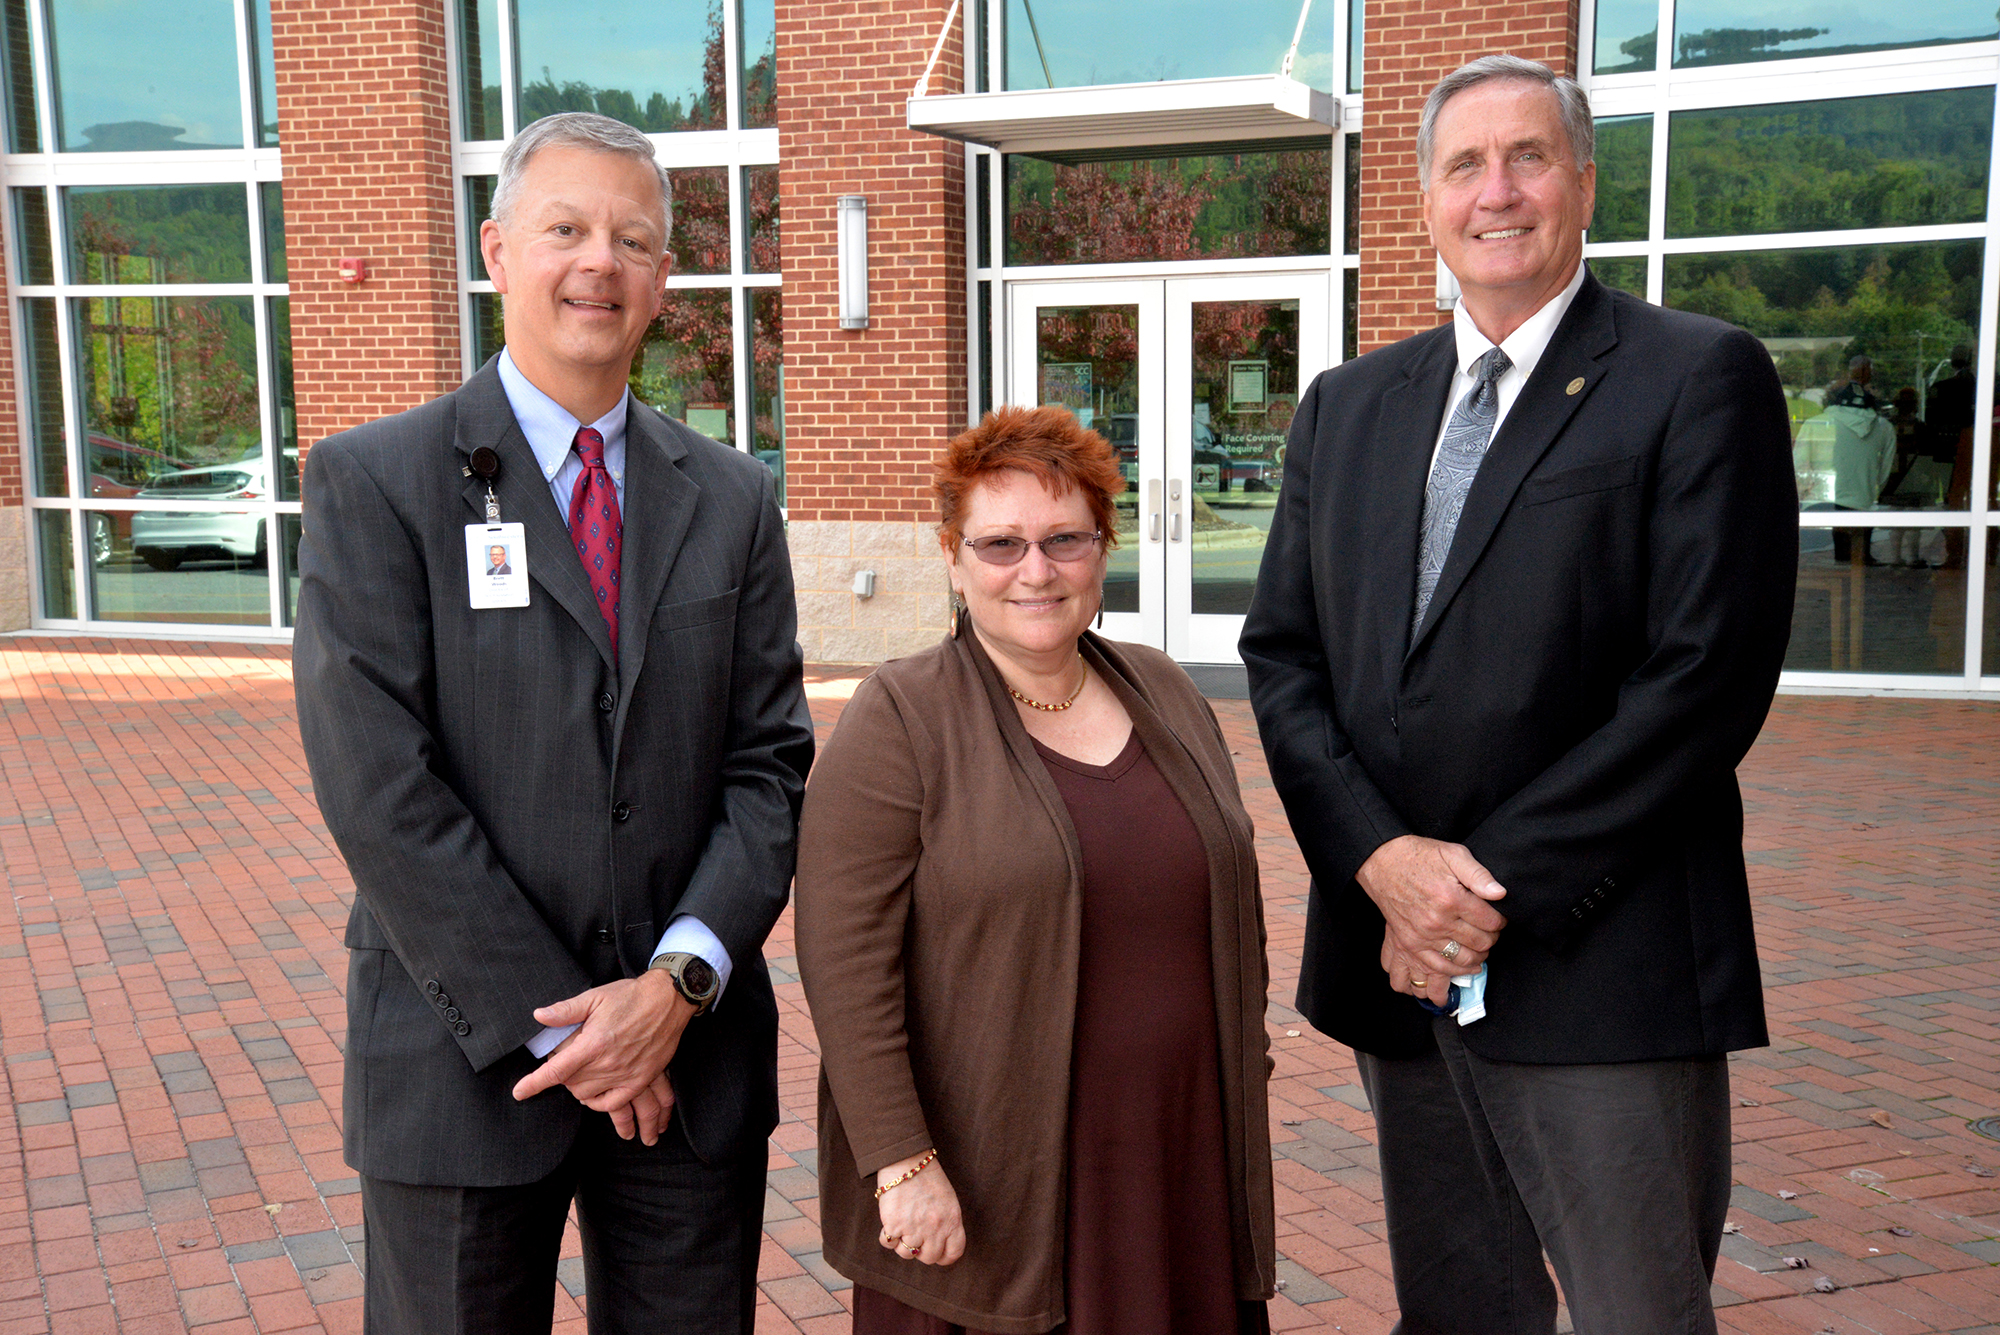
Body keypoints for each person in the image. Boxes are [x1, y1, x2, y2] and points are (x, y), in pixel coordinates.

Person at [1239, 55, 1797, 1335]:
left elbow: (1701, 682)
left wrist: (1473, 893)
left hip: (1600, 957)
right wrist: (1380, 864)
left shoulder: (1694, 377)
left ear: (1583, 182)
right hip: (1396, 963)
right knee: (1457, 1311)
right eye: (1462, 165)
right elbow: (1285, 659)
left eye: (1527, 157)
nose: (1496, 191)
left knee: (1631, 1313)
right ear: (1425, 201)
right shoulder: (1345, 407)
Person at [291, 112, 813, 1334]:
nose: (600, 263)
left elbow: (769, 764)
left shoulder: (731, 498)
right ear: (496, 250)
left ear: (664, 280)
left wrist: (673, 990)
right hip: (462, 1060)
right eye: (566, 229)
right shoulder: (377, 482)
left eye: (633, 240)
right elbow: (379, 788)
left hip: (689, 1069)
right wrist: (583, 1033)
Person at [795, 404, 1276, 1335]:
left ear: (1103, 547)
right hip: (991, 1172)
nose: (1036, 570)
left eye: (1065, 539)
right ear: (951, 556)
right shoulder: (901, 716)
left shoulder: (1165, 688)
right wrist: (901, 1160)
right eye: (1001, 543)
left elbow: (1227, 903)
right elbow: (844, 963)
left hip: (1174, 1158)